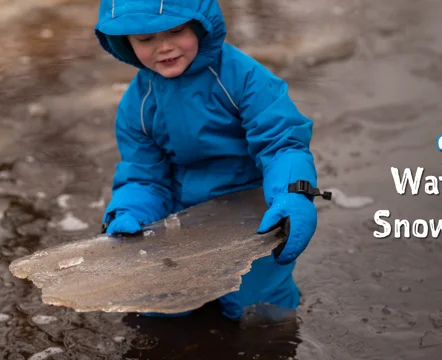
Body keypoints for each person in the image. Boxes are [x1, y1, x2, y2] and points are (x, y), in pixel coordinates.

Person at [94, 0, 329, 320]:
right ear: (125, 42)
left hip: (252, 211)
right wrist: (129, 213)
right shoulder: (137, 105)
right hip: (184, 217)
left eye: (176, 31)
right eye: (145, 39)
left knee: (260, 311)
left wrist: (293, 195)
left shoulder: (243, 78)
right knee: (159, 309)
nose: (163, 47)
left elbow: (281, 145)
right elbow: (144, 175)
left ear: (200, 25)